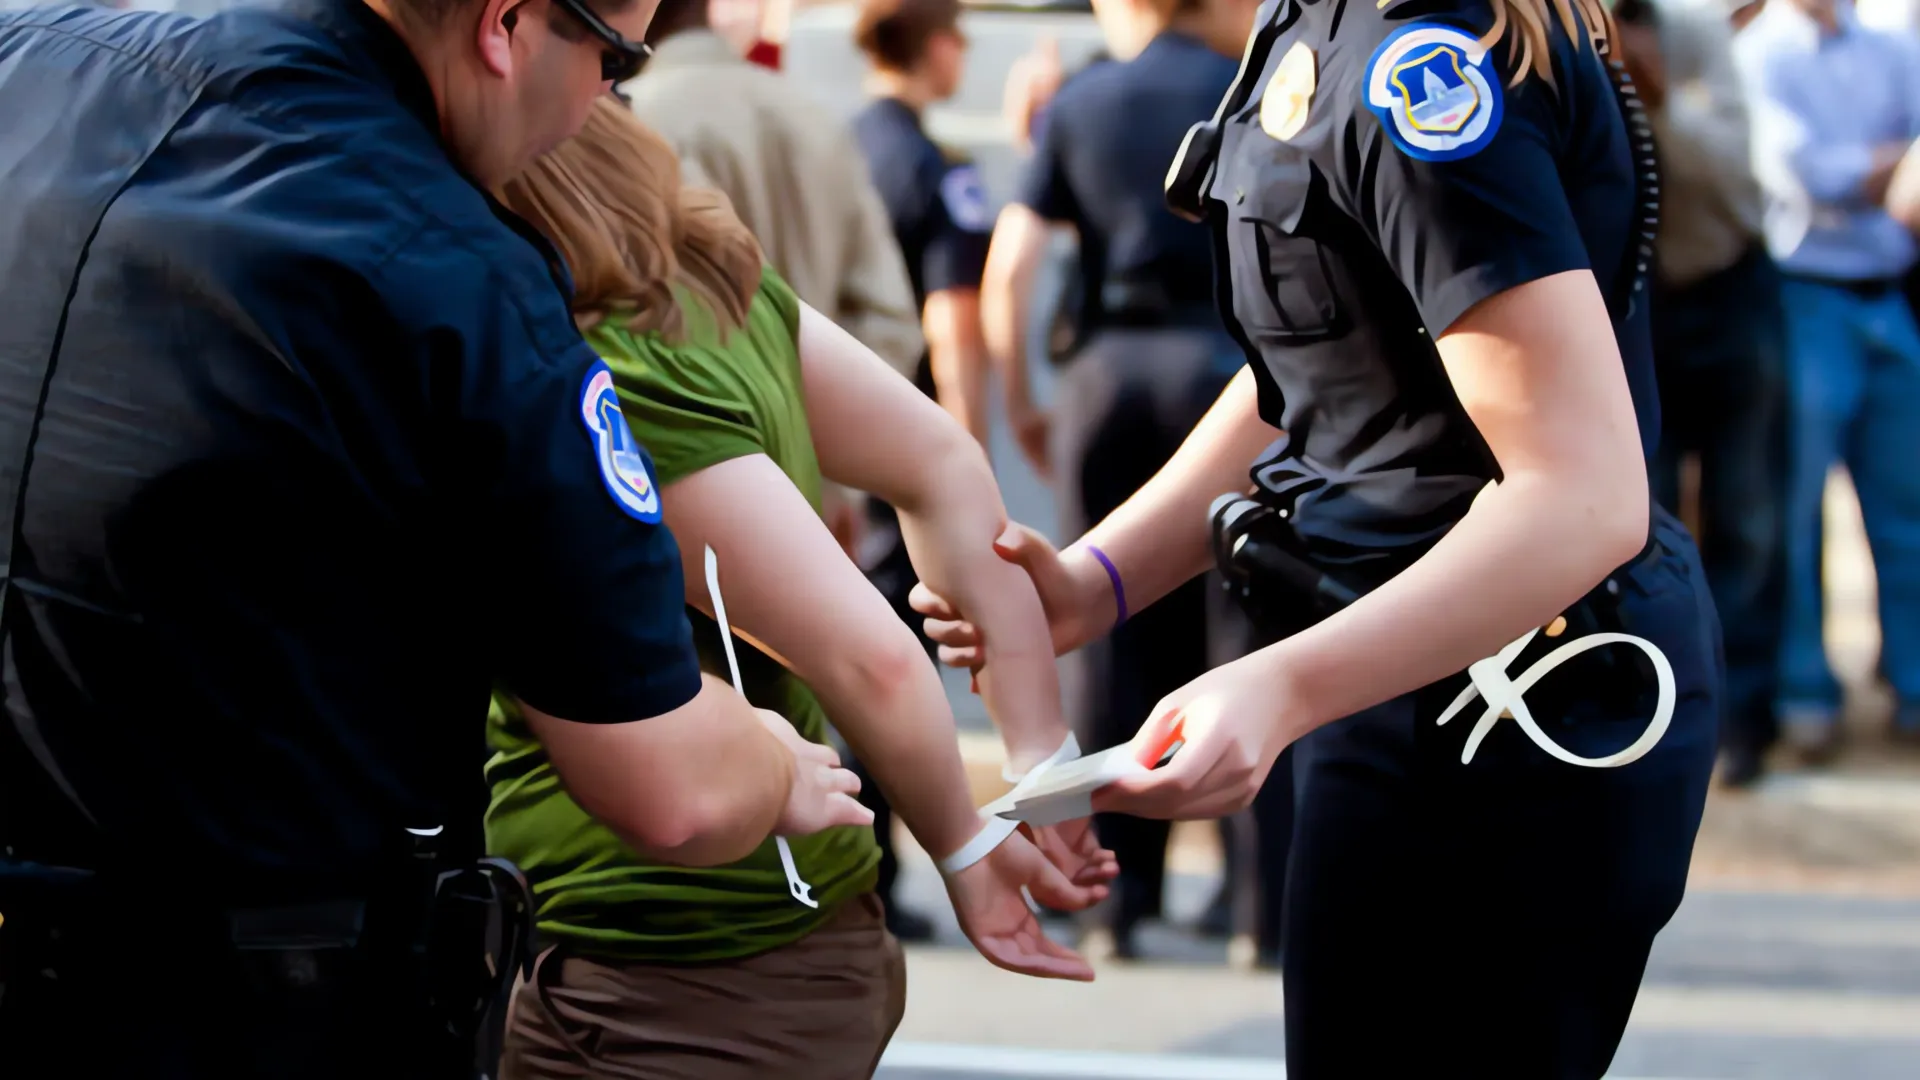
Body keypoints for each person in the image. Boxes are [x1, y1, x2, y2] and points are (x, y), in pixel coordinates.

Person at [0, 1, 867, 1076]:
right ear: (505, 23)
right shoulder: (462, 276)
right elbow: (669, 785)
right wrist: (773, 767)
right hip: (250, 995)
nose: (611, 99)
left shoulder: (40, 54)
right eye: (615, 56)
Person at [915, 0, 1724, 1073]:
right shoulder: (1318, 21)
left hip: (1523, 703)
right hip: (1403, 673)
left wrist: (1278, 688)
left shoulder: (1423, 66)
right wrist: (1092, 584)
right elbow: (1318, 374)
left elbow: (1581, 496)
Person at [488, 98, 1115, 1080]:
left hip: (668, 960)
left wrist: (967, 844)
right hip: (753, 944)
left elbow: (866, 652)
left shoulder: (606, 357)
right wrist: (1039, 753)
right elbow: (942, 465)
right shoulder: (709, 281)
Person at [977, 0, 1276, 964]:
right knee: (1249, 629)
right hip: (1235, 372)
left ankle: (1116, 898)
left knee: (1109, 635)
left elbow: (1013, 264)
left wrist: (1022, 395)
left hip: (1110, 373)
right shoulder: (1255, 87)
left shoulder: (1083, 100)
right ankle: (1257, 909)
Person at [1733, 0, 1920, 755]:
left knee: (1907, 509)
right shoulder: (1763, 51)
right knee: (1797, 510)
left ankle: (1912, 685)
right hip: (1802, 298)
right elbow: (1809, 175)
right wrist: (1889, 167)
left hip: (1889, 298)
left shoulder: (1887, 45)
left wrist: (1872, 170)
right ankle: (1805, 691)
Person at [1614, 0, 1788, 786]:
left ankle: (1743, 715)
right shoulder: (1550, 45)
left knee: (1746, 516)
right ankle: (1652, 708)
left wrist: (1656, 96)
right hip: (1632, 306)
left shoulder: (1696, 36)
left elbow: (1730, 180)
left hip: (1726, 290)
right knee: (1633, 522)